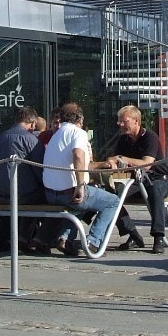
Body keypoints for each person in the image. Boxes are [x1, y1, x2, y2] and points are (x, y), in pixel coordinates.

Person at [33, 102, 120, 257]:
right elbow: (78, 155)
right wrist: (80, 186)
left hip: (51, 193)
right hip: (68, 192)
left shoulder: (55, 135)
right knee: (113, 201)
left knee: (78, 205)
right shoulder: (78, 133)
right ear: (80, 118)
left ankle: (57, 238)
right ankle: (93, 241)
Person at [102, 104, 167, 253]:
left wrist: (122, 158)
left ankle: (158, 237)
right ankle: (132, 233)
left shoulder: (150, 137)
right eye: (119, 121)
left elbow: (147, 164)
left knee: (154, 190)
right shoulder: (123, 139)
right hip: (134, 181)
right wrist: (111, 163)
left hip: (157, 178)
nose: (120, 124)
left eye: (124, 121)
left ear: (136, 121)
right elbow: (116, 159)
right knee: (110, 195)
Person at [0, 105, 44, 251]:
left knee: (17, 201)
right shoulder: (31, 139)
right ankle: (31, 237)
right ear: (32, 123)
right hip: (22, 194)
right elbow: (40, 170)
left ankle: (2, 237)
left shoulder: (0, 137)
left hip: (0, 192)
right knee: (46, 196)